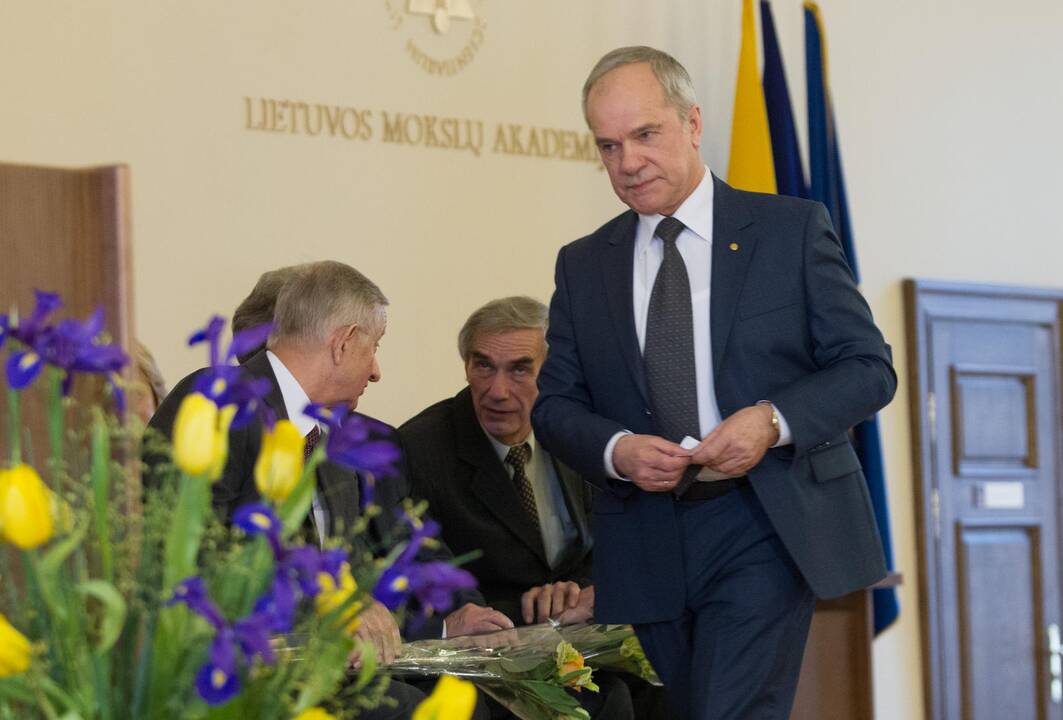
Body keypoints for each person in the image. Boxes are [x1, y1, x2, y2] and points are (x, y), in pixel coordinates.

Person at [531, 46, 897, 720]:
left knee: (729, 709)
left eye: (645, 135)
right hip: (643, 536)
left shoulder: (788, 232)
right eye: (607, 146)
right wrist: (617, 449)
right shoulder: (584, 265)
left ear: (692, 124)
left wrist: (769, 420)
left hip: (761, 517)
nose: (627, 162)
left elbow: (867, 368)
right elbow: (554, 407)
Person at [148, 261, 509, 719]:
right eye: (373, 347)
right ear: (342, 342)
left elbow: (359, 592)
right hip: (239, 675)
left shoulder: (326, 437)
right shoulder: (218, 400)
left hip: (332, 670)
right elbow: (187, 555)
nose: (376, 371)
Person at [399, 296, 638, 720]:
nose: (497, 390)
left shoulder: (575, 433)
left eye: (520, 369)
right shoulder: (421, 449)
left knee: (668, 672)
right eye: (483, 365)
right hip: (484, 653)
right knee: (606, 700)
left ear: (554, 372)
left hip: (576, 639)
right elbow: (429, 582)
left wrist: (579, 591)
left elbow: (615, 536)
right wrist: (539, 610)